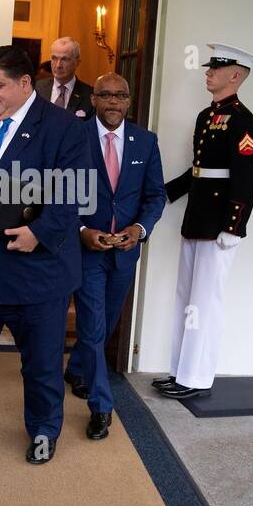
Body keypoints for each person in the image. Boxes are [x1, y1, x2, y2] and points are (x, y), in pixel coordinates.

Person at [0, 44, 92, 463]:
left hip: (36, 273)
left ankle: (43, 433)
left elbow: (74, 192)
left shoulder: (64, 127)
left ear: (25, 83)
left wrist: (39, 232)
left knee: (41, 366)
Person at [154, 43, 253, 400]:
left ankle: (197, 377)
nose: (208, 72)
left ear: (235, 75)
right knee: (187, 297)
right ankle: (179, 370)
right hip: (197, 216)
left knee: (205, 302)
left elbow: (247, 175)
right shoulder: (206, 115)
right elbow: (198, 171)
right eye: (209, 67)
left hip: (218, 224)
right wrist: (163, 193)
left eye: (216, 68)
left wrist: (235, 225)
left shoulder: (243, 119)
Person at [64, 73, 166, 438]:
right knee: (92, 325)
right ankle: (101, 407)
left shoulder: (145, 142)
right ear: (94, 100)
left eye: (119, 95)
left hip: (125, 252)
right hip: (88, 251)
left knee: (104, 324)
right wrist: (81, 230)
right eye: (104, 95)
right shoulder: (75, 137)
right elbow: (61, 191)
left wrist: (139, 231)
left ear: (128, 100)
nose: (112, 102)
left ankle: (76, 369)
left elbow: (156, 196)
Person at [35, 36, 94, 120]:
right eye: (54, 58)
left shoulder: (89, 95)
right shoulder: (37, 88)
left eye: (65, 59)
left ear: (77, 62)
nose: (58, 65)